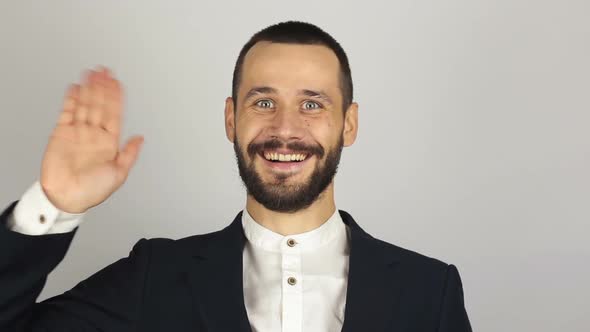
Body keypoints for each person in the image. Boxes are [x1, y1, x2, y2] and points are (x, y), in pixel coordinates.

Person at [0, 21, 472, 332]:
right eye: (263, 102)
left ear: (348, 124)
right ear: (231, 119)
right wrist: (54, 204)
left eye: (312, 104)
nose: (285, 129)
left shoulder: (430, 291)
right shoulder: (156, 276)